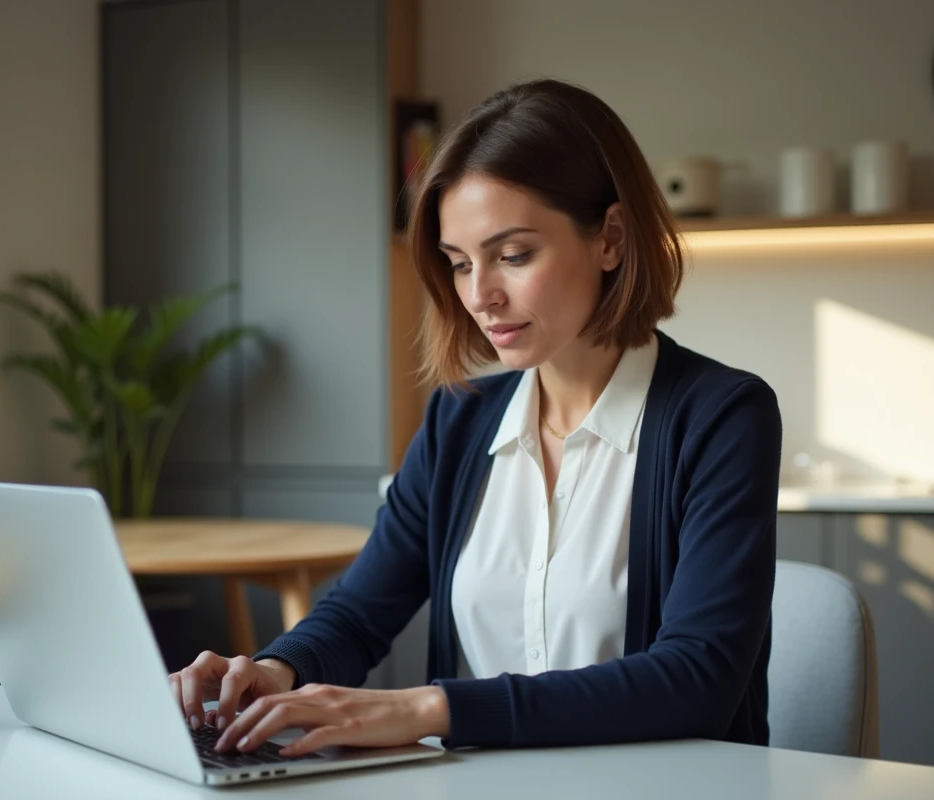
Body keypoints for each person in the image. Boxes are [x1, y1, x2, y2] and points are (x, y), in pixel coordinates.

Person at [169, 78, 782, 758]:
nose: (480, 295)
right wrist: (274, 670)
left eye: (513, 256)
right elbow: (360, 613)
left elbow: (698, 679)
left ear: (610, 238)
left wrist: (429, 708)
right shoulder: (457, 422)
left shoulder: (723, 416)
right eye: (460, 264)